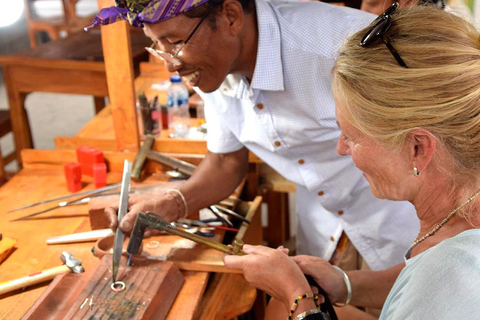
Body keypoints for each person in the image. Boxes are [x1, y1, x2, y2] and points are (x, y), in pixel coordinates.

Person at [86, 0, 418, 316]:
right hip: (323, 237)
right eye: (157, 45)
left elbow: (443, 150)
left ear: (230, 16)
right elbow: (226, 162)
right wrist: (171, 203)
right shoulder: (211, 64)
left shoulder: (344, 47)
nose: (170, 63)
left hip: (404, 235)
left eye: (174, 42)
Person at [224, 3, 480, 319]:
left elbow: (430, 284)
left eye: (352, 136)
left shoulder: (450, 272)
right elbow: (415, 281)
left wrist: (298, 298)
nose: (341, 148)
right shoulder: (458, 219)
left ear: (418, 148)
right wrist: (345, 284)